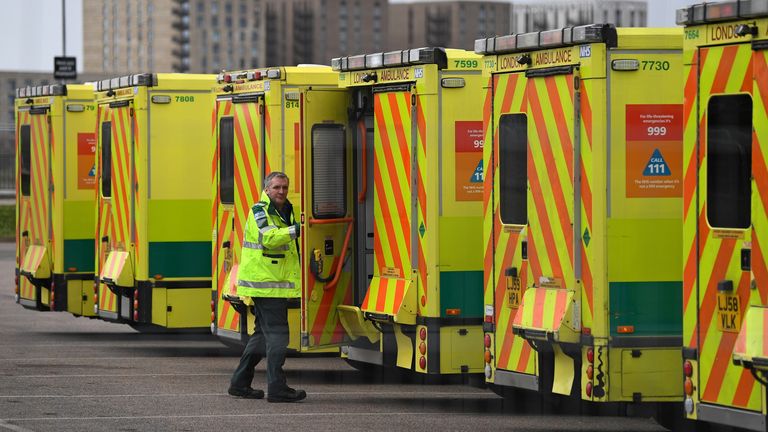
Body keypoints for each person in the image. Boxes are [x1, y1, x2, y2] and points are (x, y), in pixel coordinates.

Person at [228, 171, 306, 403]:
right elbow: (269, 238)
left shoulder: (286, 209)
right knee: (278, 337)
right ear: (267, 189)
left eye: (284, 187)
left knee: (261, 337)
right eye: (277, 187)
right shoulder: (259, 211)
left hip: (273, 286)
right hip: (266, 286)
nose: (281, 191)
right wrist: (297, 230)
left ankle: (239, 384)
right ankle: (277, 388)